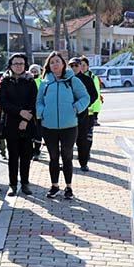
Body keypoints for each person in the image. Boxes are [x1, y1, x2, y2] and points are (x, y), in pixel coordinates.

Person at [36, 52, 90, 200]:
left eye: (57, 61)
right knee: (53, 157)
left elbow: (85, 97)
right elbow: (39, 101)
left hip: (69, 127)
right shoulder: (45, 82)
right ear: (49, 65)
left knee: (67, 157)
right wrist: (42, 112)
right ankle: (54, 186)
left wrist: (76, 108)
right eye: (52, 62)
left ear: (63, 64)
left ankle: (69, 187)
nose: (55, 64)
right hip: (49, 127)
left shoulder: (72, 80)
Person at [0, 53, 37, 196]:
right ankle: (13, 185)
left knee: (26, 156)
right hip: (11, 123)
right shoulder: (5, 81)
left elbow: (34, 101)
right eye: (15, 64)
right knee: (13, 156)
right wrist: (20, 112)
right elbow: (3, 102)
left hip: (27, 123)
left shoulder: (30, 81)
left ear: (25, 65)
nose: (18, 66)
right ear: (10, 65)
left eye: (21, 63)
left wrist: (25, 119)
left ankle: (25, 183)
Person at [69, 57, 99, 172]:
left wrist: (84, 105)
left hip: (83, 115)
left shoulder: (87, 79)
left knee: (82, 141)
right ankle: (67, 163)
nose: (74, 68)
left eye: (76, 65)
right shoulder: (66, 80)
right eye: (71, 66)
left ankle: (83, 163)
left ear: (80, 66)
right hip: (68, 115)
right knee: (67, 141)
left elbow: (94, 95)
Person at [28, 64, 44, 161]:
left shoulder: (42, 82)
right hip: (29, 111)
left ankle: (37, 151)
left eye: (35, 71)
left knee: (38, 132)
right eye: (32, 71)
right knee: (30, 132)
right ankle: (30, 151)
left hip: (39, 111)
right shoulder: (27, 81)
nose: (34, 73)